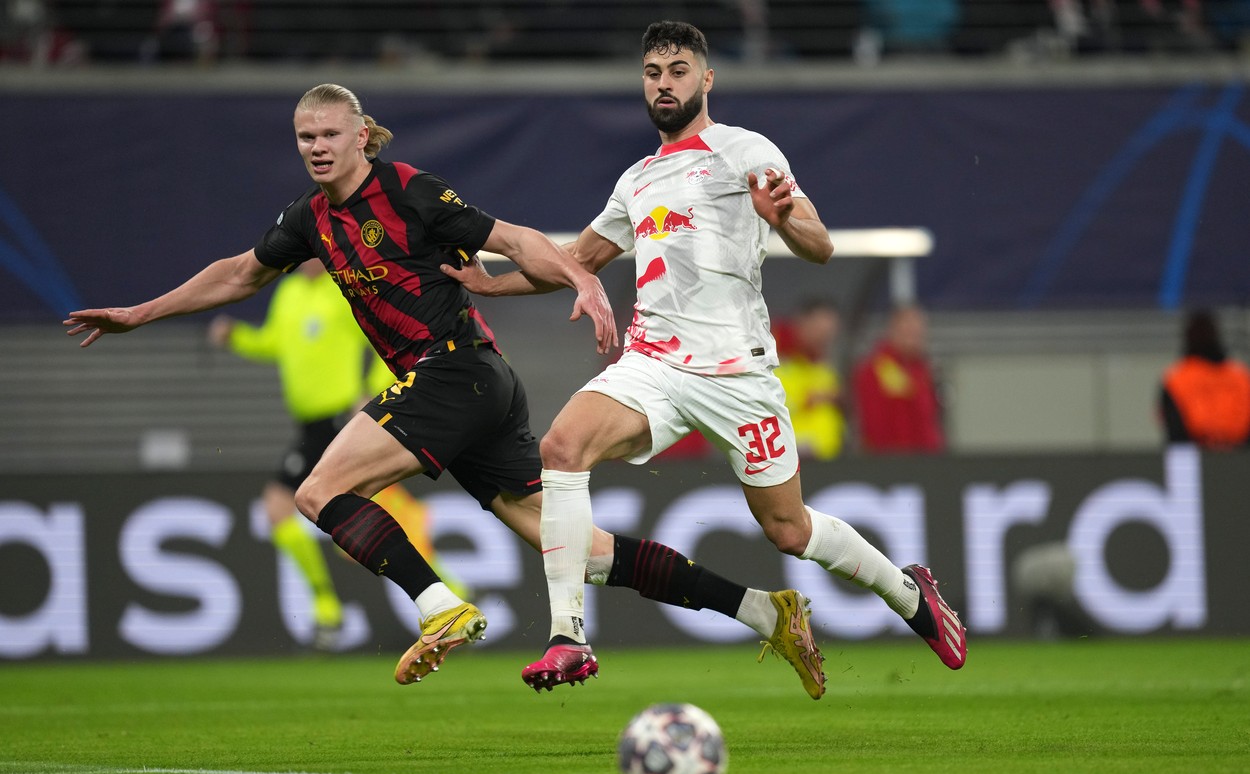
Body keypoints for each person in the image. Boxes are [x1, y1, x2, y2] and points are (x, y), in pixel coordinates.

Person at [64, 82, 828, 698]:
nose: (317, 148)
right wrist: (139, 313)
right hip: (470, 386)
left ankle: (440, 607)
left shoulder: (408, 191)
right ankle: (765, 610)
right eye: (304, 138)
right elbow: (239, 274)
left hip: (454, 369)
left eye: (329, 134)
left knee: (319, 491)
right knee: (582, 551)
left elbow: (514, 239)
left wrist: (582, 279)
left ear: (361, 136)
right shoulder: (310, 219)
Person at [446, 21, 967, 691]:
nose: (664, 84)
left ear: (706, 78)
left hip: (737, 373)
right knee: (563, 446)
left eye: (678, 71)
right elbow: (577, 261)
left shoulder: (746, 150)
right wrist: (491, 282)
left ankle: (909, 594)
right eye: (653, 73)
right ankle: (568, 636)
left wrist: (781, 218)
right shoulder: (636, 180)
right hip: (654, 366)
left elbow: (820, 244)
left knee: (788, 529)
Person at [207, 258, 466, 651]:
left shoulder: (346, 287)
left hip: (342, 419)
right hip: (310, 427)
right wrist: (237, 337)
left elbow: (390, 336)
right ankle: (451, 591)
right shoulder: (289, 291)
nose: (302, 255)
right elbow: (276, 342)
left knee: (288, 506)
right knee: (359, 512)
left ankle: (328, 610)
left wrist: (375, 391)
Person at [852, 303, 945, 454]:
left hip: (925, 457)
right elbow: (873, 422)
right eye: (908, 331)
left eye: (918, 332)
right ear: (892, 330)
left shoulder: (923, 370)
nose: (914, 338)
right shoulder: (876, 368)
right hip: (891, 459)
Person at [1159, 309, 1250, 448]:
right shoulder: (1241, 376)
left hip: (1193, 456)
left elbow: (1175, 430)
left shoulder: (1176, 378)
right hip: (1240, 456)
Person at [772, 297, 846, 460]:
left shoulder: (824, 368)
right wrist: (810, 399)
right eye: (820, 331)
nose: (824, 338)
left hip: (829, 459)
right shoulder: (774, 360)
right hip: (792, 457)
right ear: (802, 324)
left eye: (830, 333)